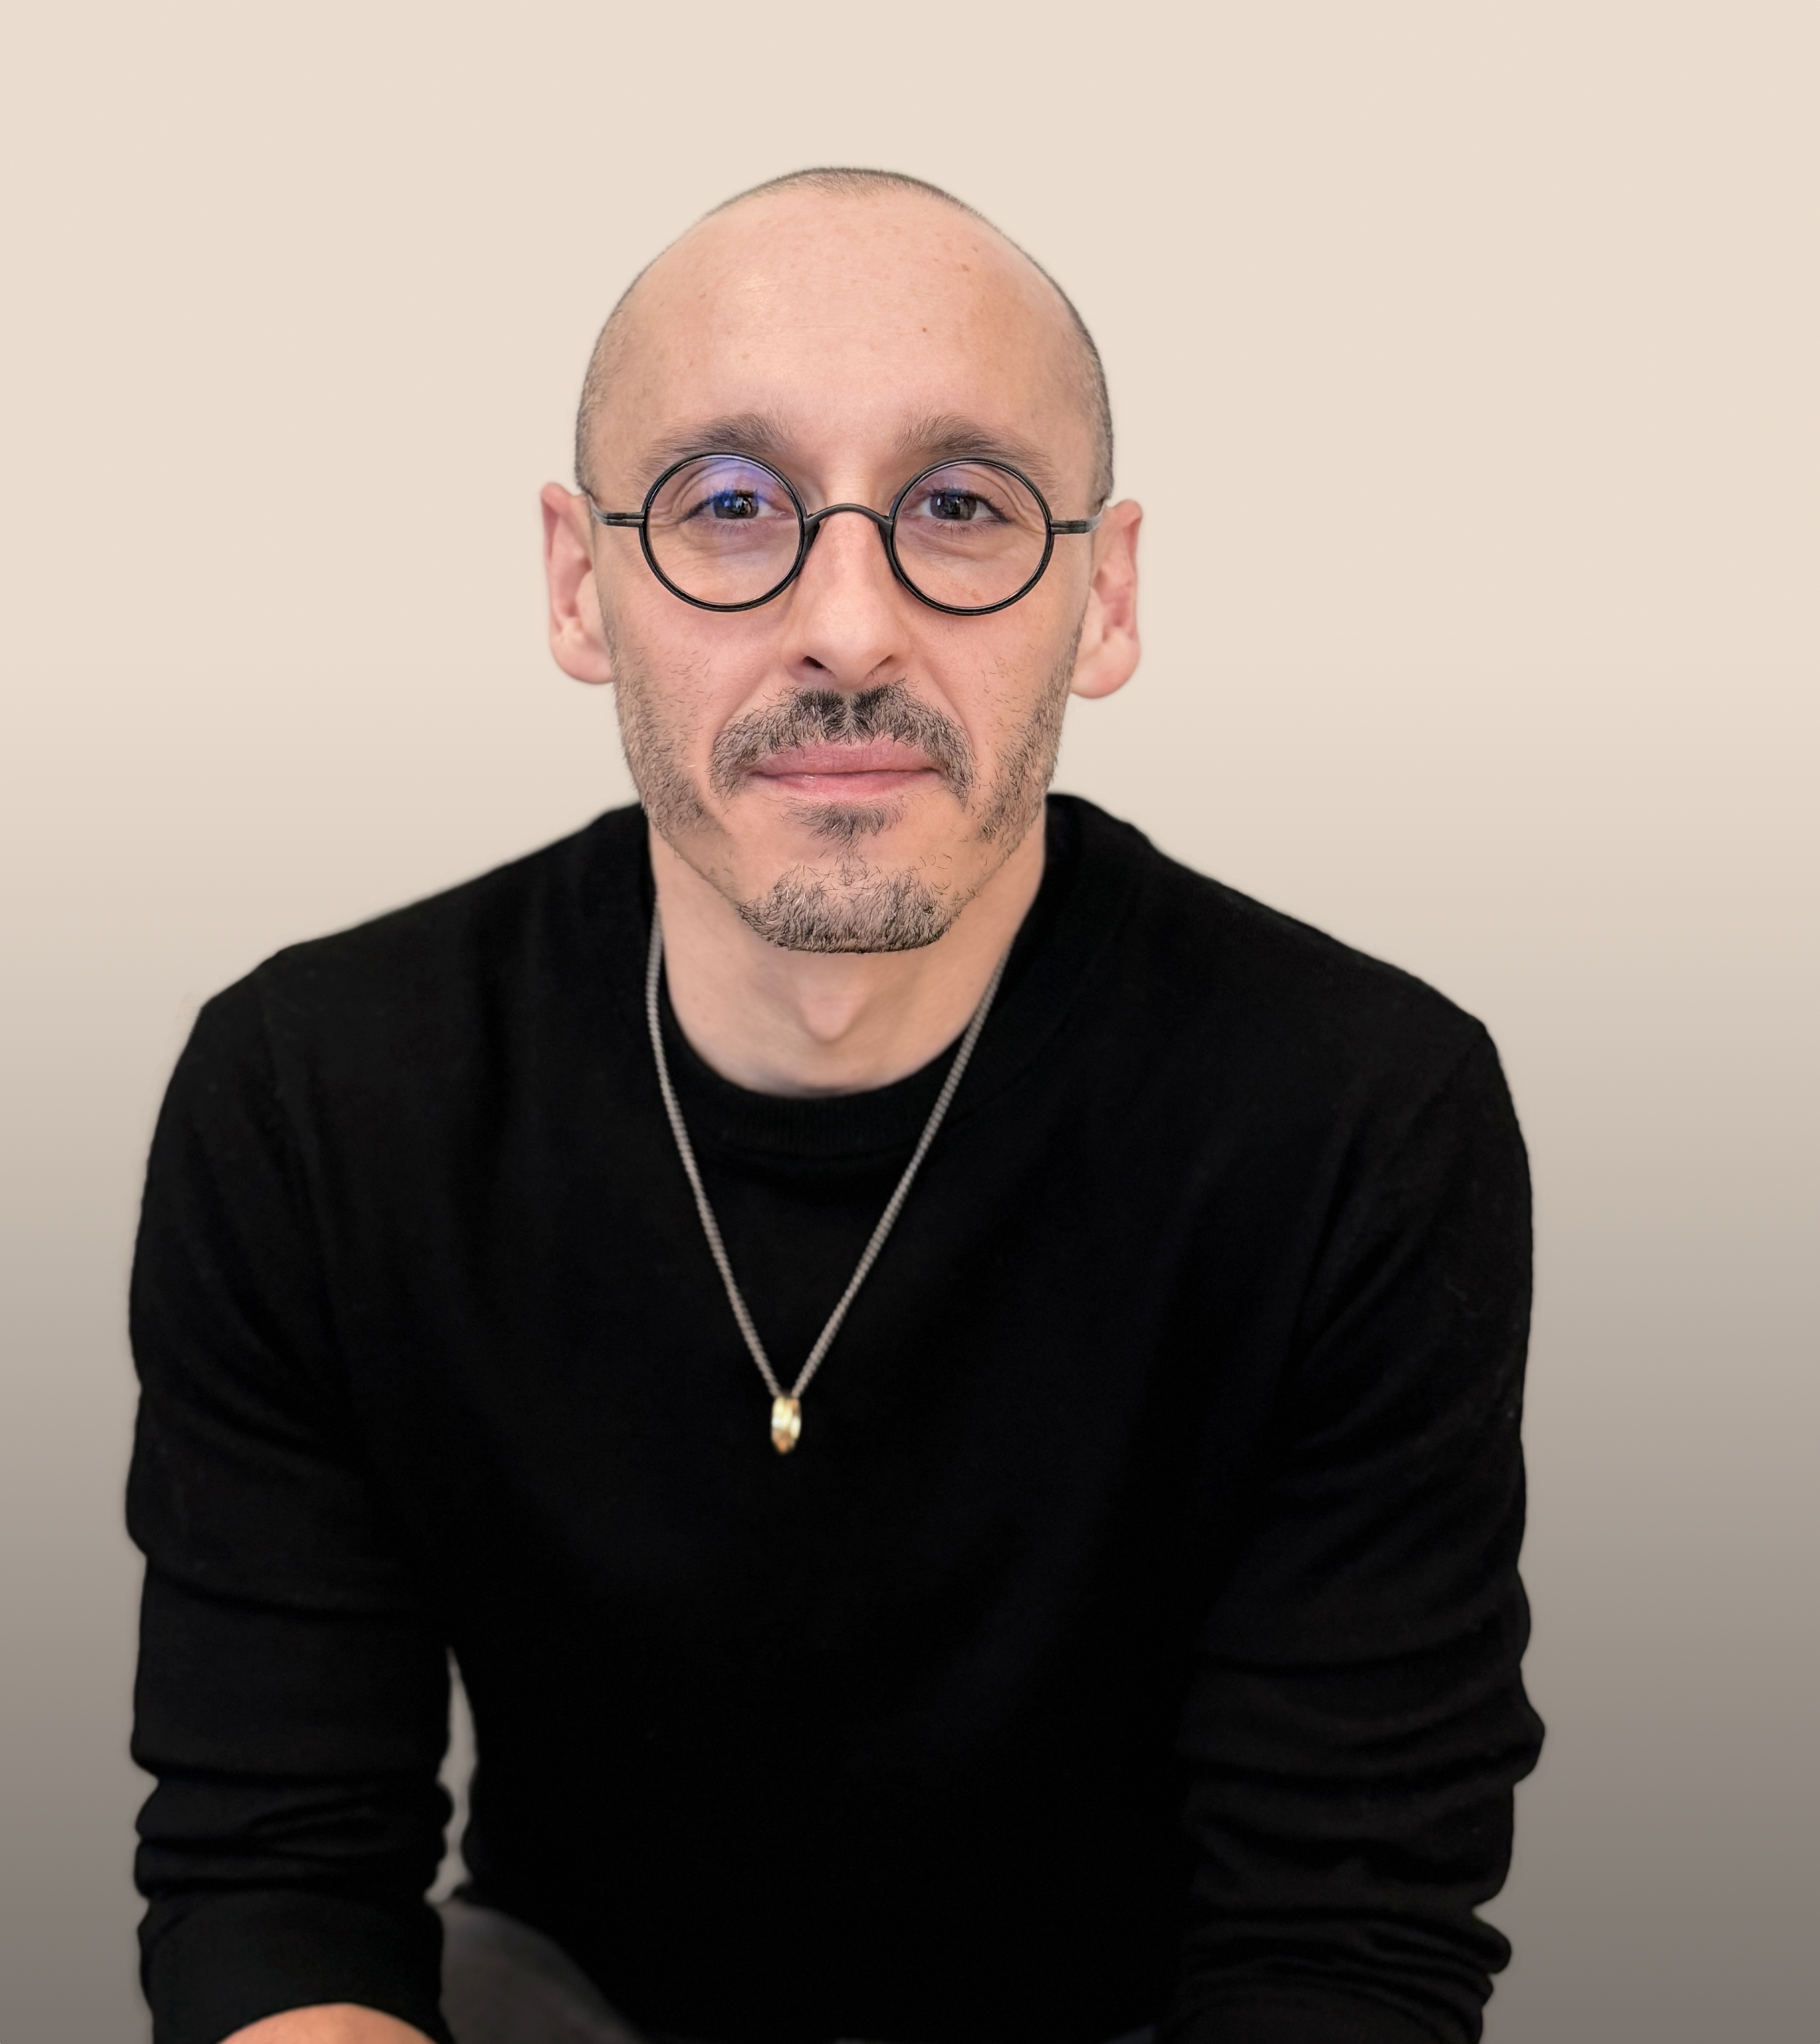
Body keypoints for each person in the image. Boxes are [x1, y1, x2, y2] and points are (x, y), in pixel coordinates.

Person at [127, 169, 1543, 2044]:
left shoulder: (1364, 1113)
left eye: (962, 508)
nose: (851, 628)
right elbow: (278, 1881)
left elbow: (1344, 1947)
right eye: (729, 506)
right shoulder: (314, 1097)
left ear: (1104, 600)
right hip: (561, 2001)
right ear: (580, 584)